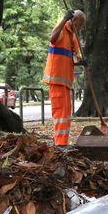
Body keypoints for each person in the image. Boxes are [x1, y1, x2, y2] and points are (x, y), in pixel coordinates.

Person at [43, 9, 85, 146]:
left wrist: (82, 61)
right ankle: (60, 144)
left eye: (81, 27)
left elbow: (75, 57)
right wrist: (63, 20)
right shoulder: (61, 28)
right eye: (79, 24)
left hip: (66, 82)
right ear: (73, 20)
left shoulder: (73, 36)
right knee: (60, 113)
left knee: (66, 115)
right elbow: (52, 38)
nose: (79, 28)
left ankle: (63, 142)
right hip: (56, 79)